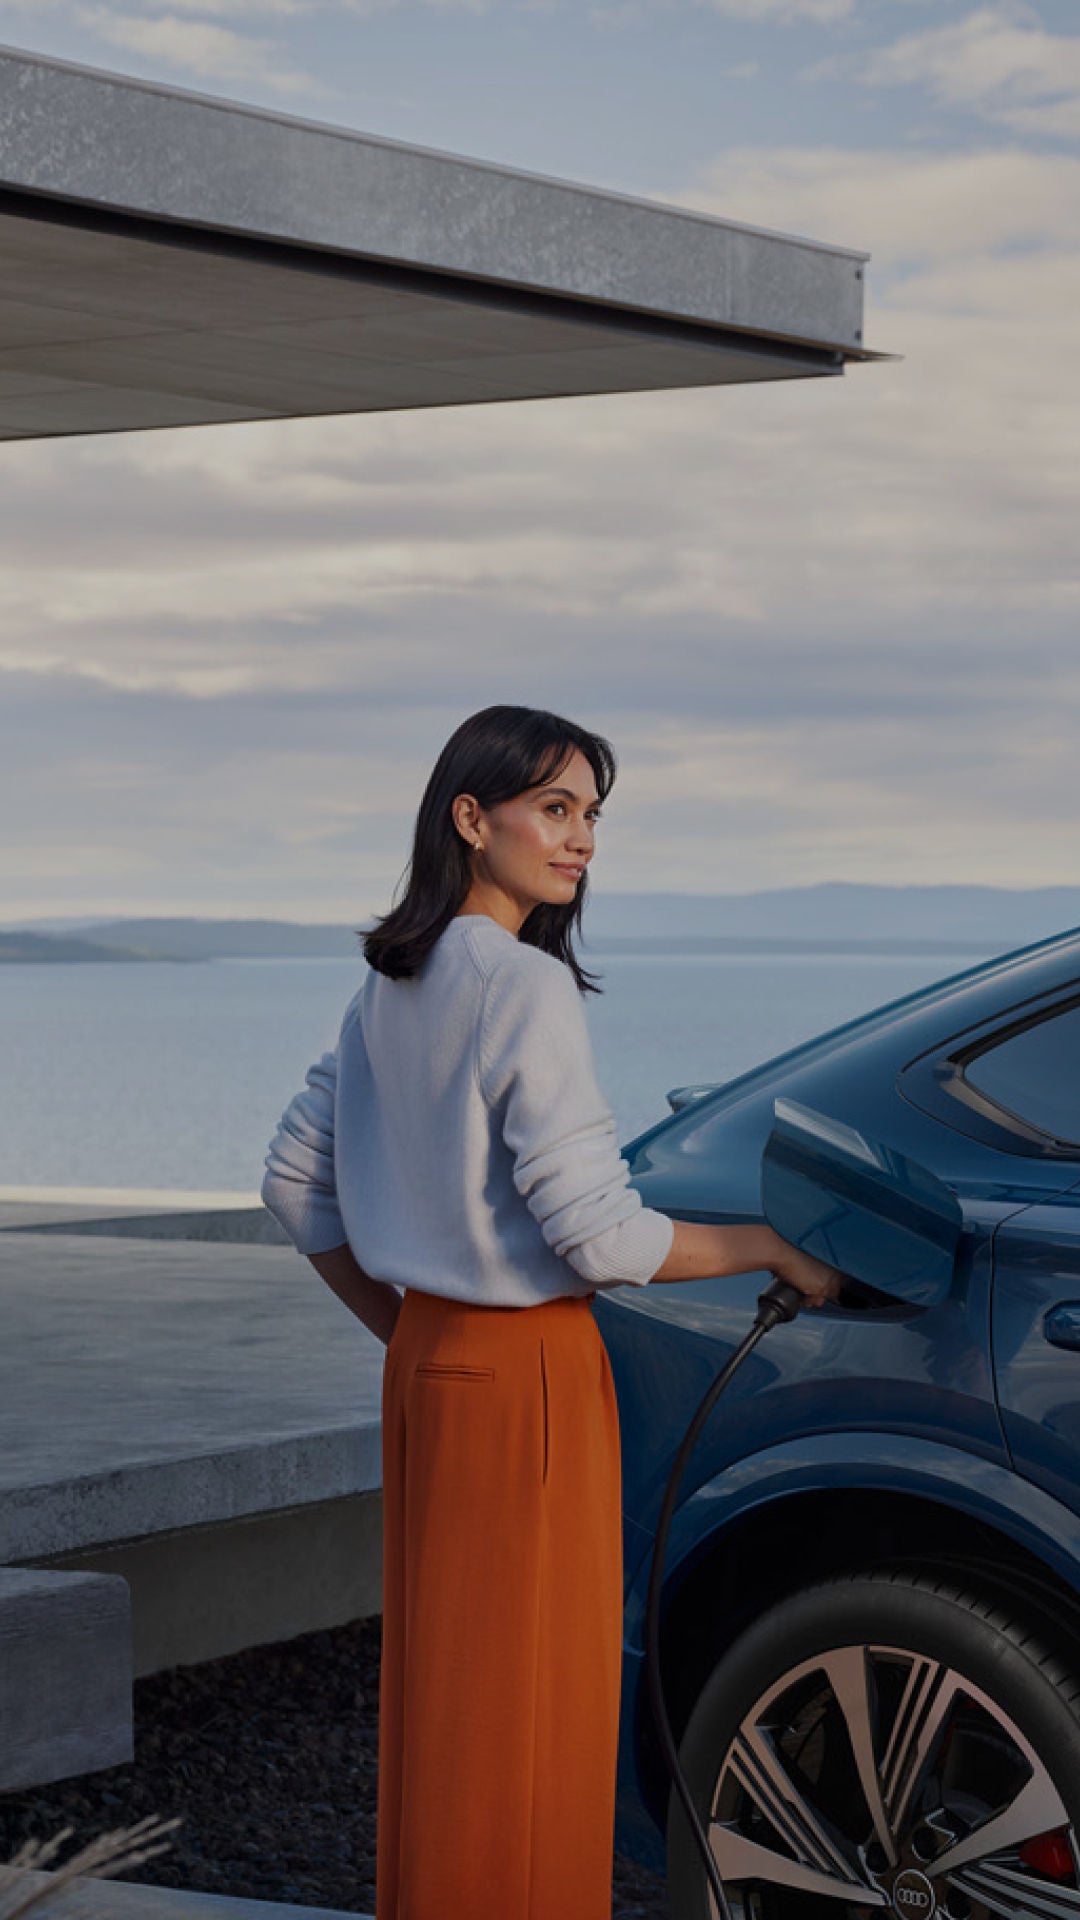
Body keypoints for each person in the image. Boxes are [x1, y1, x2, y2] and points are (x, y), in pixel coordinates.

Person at [260, 704, 843, 1920]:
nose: (579, 840)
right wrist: (771, 1244)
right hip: (525, 1376)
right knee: (530, 1706)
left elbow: (292, 1185)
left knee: (450, 1699)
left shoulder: (390, 983)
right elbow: (601, 1233)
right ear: (472, 821)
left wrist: (410, 1331)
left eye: (591, 815)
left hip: (430, 1363)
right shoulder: (520, 986)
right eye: (554, 808)